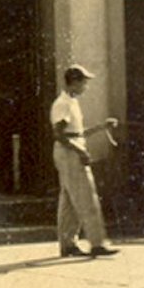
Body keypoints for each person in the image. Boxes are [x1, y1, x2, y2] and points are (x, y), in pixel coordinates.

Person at [50, 64, 119, 258]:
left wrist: (101, 127)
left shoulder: (71, 102)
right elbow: (59, 134)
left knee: (69, 201)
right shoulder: (63, 104)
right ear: (73, 82)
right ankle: (97, 243)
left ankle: (68, 245)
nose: (85, 87)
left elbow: (76, 133)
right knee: (87, 197)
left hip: (68, 152)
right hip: (69, 153)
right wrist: (80, 150)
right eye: (83, 82)